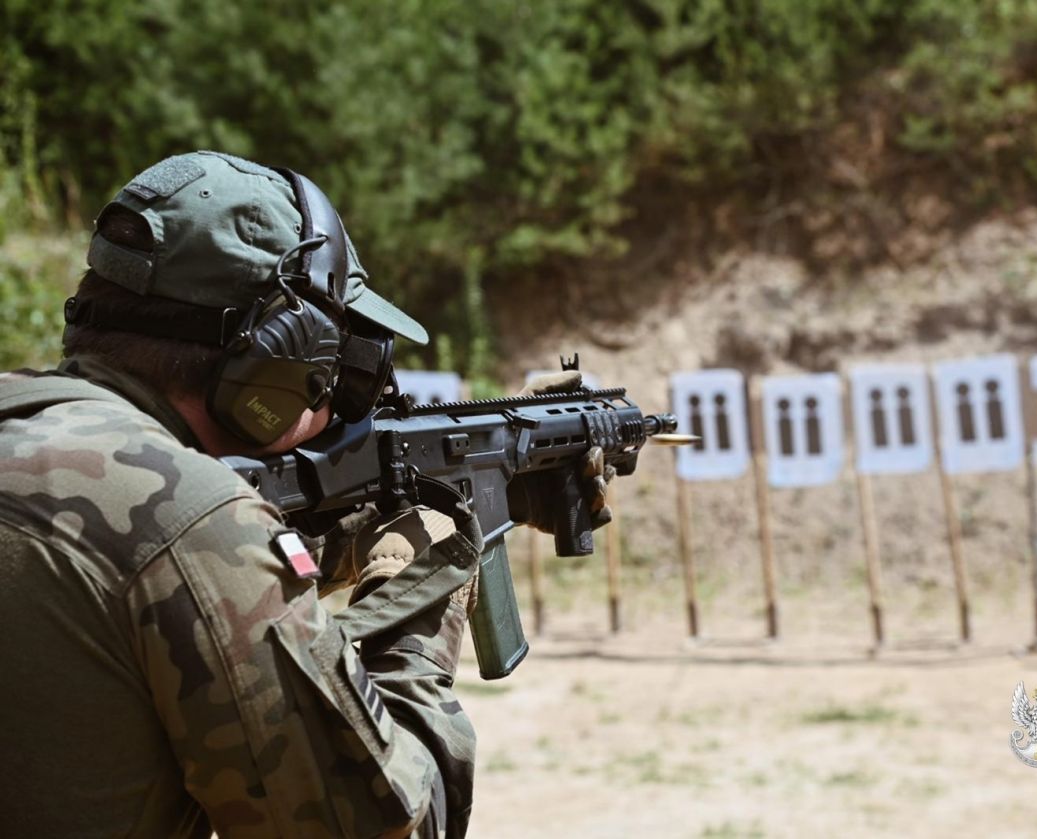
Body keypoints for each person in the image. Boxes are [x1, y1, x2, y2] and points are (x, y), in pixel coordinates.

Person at [0, 150, 604, 838]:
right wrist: (420, 599)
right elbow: (390, 824)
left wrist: (495, 495)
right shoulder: (191, 522)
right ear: (273, 370)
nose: (337, 404)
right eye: (332, 374)